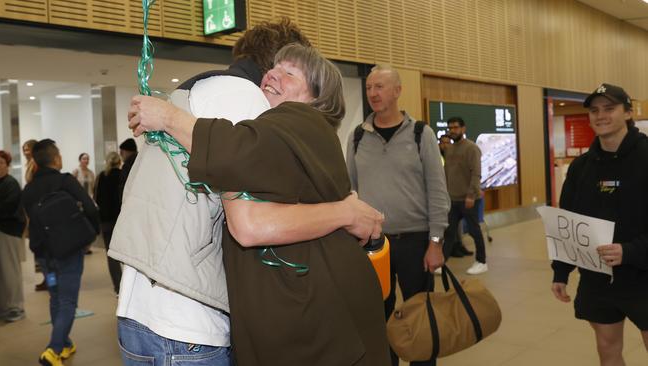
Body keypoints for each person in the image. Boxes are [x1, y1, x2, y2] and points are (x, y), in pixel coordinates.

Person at [128, 43, 390, 366]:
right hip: (315, 322)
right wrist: (346, 213)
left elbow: (237, 153)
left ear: (317, 99)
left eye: (289, 72)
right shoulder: (281, 136)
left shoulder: (305, 120)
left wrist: (167, 117)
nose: (273, 75)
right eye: (274, 67)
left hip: (319, 330)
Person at [344, 64, 450, 366]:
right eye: (369, 88)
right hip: (373, 244)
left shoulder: (421, 134)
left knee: (420, 314)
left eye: (380, 87)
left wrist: (436, 241)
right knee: (379, 315)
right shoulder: (357, 137)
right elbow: (349, 189)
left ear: (397, 91)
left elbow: (437, 190)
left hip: (415, 241)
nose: (373, 93)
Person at [551, 83, 648, 366]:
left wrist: (629, 251)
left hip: (644, 274)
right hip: (597, 277)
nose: (600, 115)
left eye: (610, 108)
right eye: (594, 110)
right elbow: (568, 220)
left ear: (628, 112)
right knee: (607, 347)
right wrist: (561, 271)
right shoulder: (582, 167)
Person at [22, 139, 100, 366]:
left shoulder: (28, 189)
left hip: (44, 256)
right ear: (56, 159)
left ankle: (64, 342)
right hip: (68, 252)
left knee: (56, 297)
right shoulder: (65, 181)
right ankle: (53, 349)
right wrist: (90, 233)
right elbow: (90, 207)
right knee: (67, 300)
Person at [443, 116, 488, 274]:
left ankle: (482, 261)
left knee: (474, 231)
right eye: (450, 128)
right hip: (453, 199)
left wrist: (470, 194)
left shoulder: (471, 148)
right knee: (449, 232)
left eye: (456, 127)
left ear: (463, 129)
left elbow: (476, 173)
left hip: (468, 199)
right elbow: (447, 173)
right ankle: (442, 262)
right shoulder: (449, 149)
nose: (453, 131)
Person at [0, 150, 26, 322]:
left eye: (1, 163)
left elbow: (7, 208)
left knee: (10, 271)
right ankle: (3, 306)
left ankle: (16, 307)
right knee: (0, 273)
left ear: (7, 165)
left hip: (9, 232)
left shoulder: (11, 183)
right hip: (0, 231)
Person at [93, 152, 122, 294]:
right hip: (120, 221)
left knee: (112, 256)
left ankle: (118, 287)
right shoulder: (122, 175)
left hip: (105, 221)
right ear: (119, 162)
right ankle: (130, 288)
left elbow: (96, 197)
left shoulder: (101, 177)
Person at [23, 139, 47, 291]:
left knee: (41, 248)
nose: (26, 152)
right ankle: (47, 277)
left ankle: (49, 278)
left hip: (38, 210)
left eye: (28, 149)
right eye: (24, 149)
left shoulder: (36, 165)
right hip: (33, 210)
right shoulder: (30, 164)